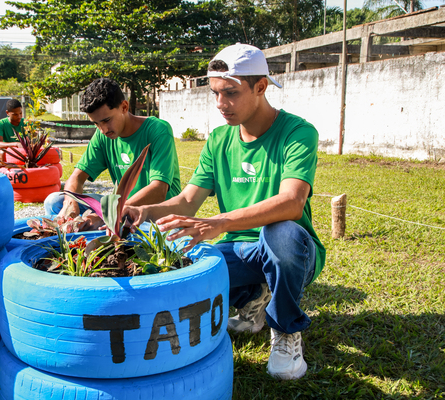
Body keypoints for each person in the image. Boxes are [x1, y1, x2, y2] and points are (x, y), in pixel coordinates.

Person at [124, 44, 326, 380]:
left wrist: (219, 222)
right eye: (216, 93)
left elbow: (292, 203)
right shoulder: (219, 139)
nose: (220, 104)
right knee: (185, 263)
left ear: (260, 87)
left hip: (292, 250)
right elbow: (187, 200)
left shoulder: (297, 132)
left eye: (230, 93)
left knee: (281, 233)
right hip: (241, 248)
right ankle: (253, 302)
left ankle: (286, 328)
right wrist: (140, 211)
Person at [43, 77, 181, 230]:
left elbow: (159, 190)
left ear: (124, 107)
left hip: (157, 213)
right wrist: (70, 206)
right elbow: (77, 177)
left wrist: (107, 215)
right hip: (121, 207)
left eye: (107, 120)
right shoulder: (103, 135)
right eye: (96, 123)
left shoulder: (158, 130)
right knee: (55, 201)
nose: (103, 129)